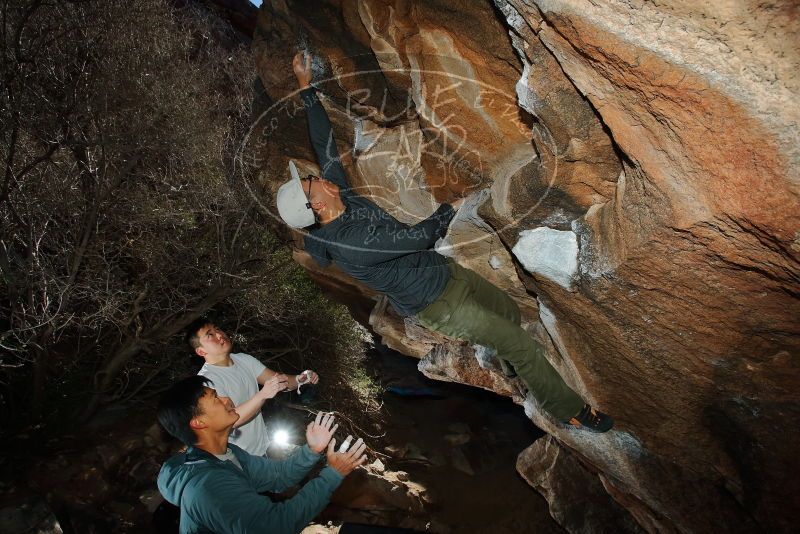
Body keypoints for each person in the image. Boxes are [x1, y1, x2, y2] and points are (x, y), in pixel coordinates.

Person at [275, 52, 612, 432]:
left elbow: (323, 144)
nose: (317, 175)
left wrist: (306, 86)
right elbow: (416, 238)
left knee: (508, 312)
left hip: (447, 273)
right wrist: (448, 209)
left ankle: (506, 361)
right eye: (311, 181)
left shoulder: (341, 198)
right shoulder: (350, 244)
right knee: (520, 342)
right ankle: (569, 409)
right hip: (438, 306)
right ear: (317, 204)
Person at [157, 375, 366, 534]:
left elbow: (278, 476)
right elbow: (276, 526)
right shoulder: (208, 485)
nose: (227, 400)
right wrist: (332, 474)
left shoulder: (225, 454)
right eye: (215, 399)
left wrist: (311, 450)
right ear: (199, 423)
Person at [185, 318, 320, 456]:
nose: (219, 335)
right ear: (201, 351)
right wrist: (262, 395)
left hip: (266, 447)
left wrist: (300, 378)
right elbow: (228, 420)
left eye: (217, 329)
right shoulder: (206, 381)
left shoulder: (243, 359)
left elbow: (279, 381)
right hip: (241, 459)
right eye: (210, 335)